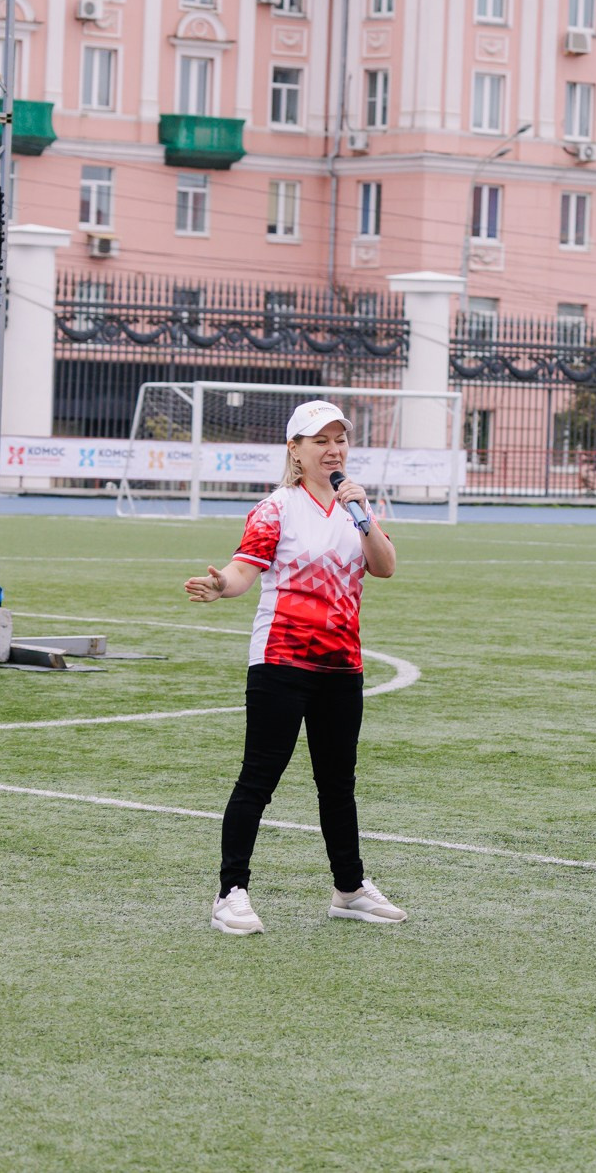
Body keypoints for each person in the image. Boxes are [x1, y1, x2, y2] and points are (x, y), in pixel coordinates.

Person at [189, 400, 404, 935]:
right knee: (259, 779)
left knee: (338, 784)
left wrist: (364, 514)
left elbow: (384, 567)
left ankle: (349, 889)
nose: (334, 450)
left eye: (340, 439)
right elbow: (243, 571)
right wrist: (221, 586)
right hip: (281, 661)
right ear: (295, 449)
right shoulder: (275, 508)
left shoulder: (356, 506)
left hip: (342, 664)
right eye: (320, 441)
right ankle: (230, 893)